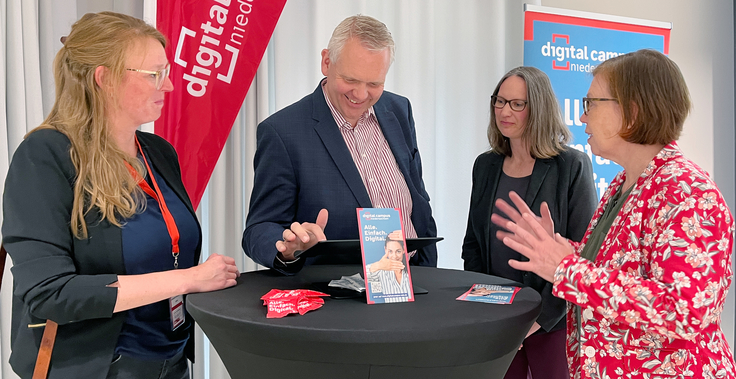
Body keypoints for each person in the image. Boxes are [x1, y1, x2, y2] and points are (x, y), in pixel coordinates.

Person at [3, 12, 240, 379]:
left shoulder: (158, 152)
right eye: (154, 75)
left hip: (171, 359)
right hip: (98, 367)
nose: (170, 86)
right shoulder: (45, 155)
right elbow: (50, 293)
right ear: (105, 79)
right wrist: (190, 278)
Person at [493, 49, 736, 378]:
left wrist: (568, 270)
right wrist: (560, 250)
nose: (582, 117)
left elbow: (685, 311)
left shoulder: (687, 192)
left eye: (591, 103)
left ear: (632, 112)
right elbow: (622, 271)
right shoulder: (624, 185)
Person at [242, 15, 437, 274]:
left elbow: (418, 200)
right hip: (336, 299)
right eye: (351, 80)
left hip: (413, 282)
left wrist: (429, 271)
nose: (360, 94)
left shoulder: (399, 110)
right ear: (326, 62)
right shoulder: (282, 132)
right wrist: (288, 247)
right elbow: (259, 228)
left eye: (374, 83)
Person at [462, 66, 597, 379]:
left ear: (538, 109)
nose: (504, 111)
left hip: (551, 322)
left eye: (517, 104)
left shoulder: (571, 166)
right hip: (498, 320)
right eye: (500, 101)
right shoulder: (486, 165)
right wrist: (487, 311)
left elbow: (583, 253)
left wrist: (534, 323)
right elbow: (473, 243)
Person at [365, 236, 412, 303]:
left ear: (404, 250)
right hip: (390, 311)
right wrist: (379, 265)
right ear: (385, 250)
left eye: (398, 251)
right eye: (390, 251)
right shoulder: (381, 271)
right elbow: (365, 276)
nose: (394, 256)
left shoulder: (410, 272)